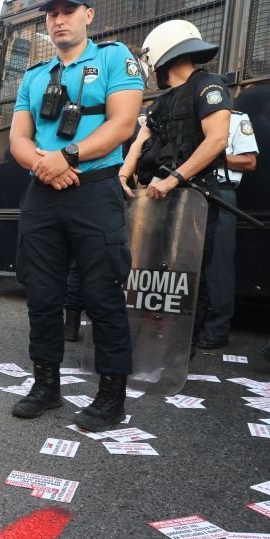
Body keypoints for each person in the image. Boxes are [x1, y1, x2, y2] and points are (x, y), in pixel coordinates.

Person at [8, 0, 143, 430]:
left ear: (88, 14)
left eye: (68, 10)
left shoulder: (114, 58)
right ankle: (46, 386)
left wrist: (67, 156)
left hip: (95, 189)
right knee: (42, 294)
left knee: (102, 294)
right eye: (52, 14)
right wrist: (45, 165)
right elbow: (19, 139)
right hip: (43, 191)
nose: (59, 20)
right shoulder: (34, 76)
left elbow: (123, 123)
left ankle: (111, 396)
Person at [121, 19, 232, 357]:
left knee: (189, 273)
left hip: (194, 197)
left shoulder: (209, 87)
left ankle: (182, 350)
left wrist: (174, 179)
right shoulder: (163, 100)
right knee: (152, 270)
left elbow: (216, 140)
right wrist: (124, 172)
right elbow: (143, 137)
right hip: (158, 198)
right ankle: (151, 341)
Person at [196, 111, 258, 349]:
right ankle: (189, 324)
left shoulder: (236, 119)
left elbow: (249, 161)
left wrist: (212, 155)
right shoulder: (188, 117)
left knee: (217, 266)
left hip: (220, 191)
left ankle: (217, 328)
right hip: (186, 190)